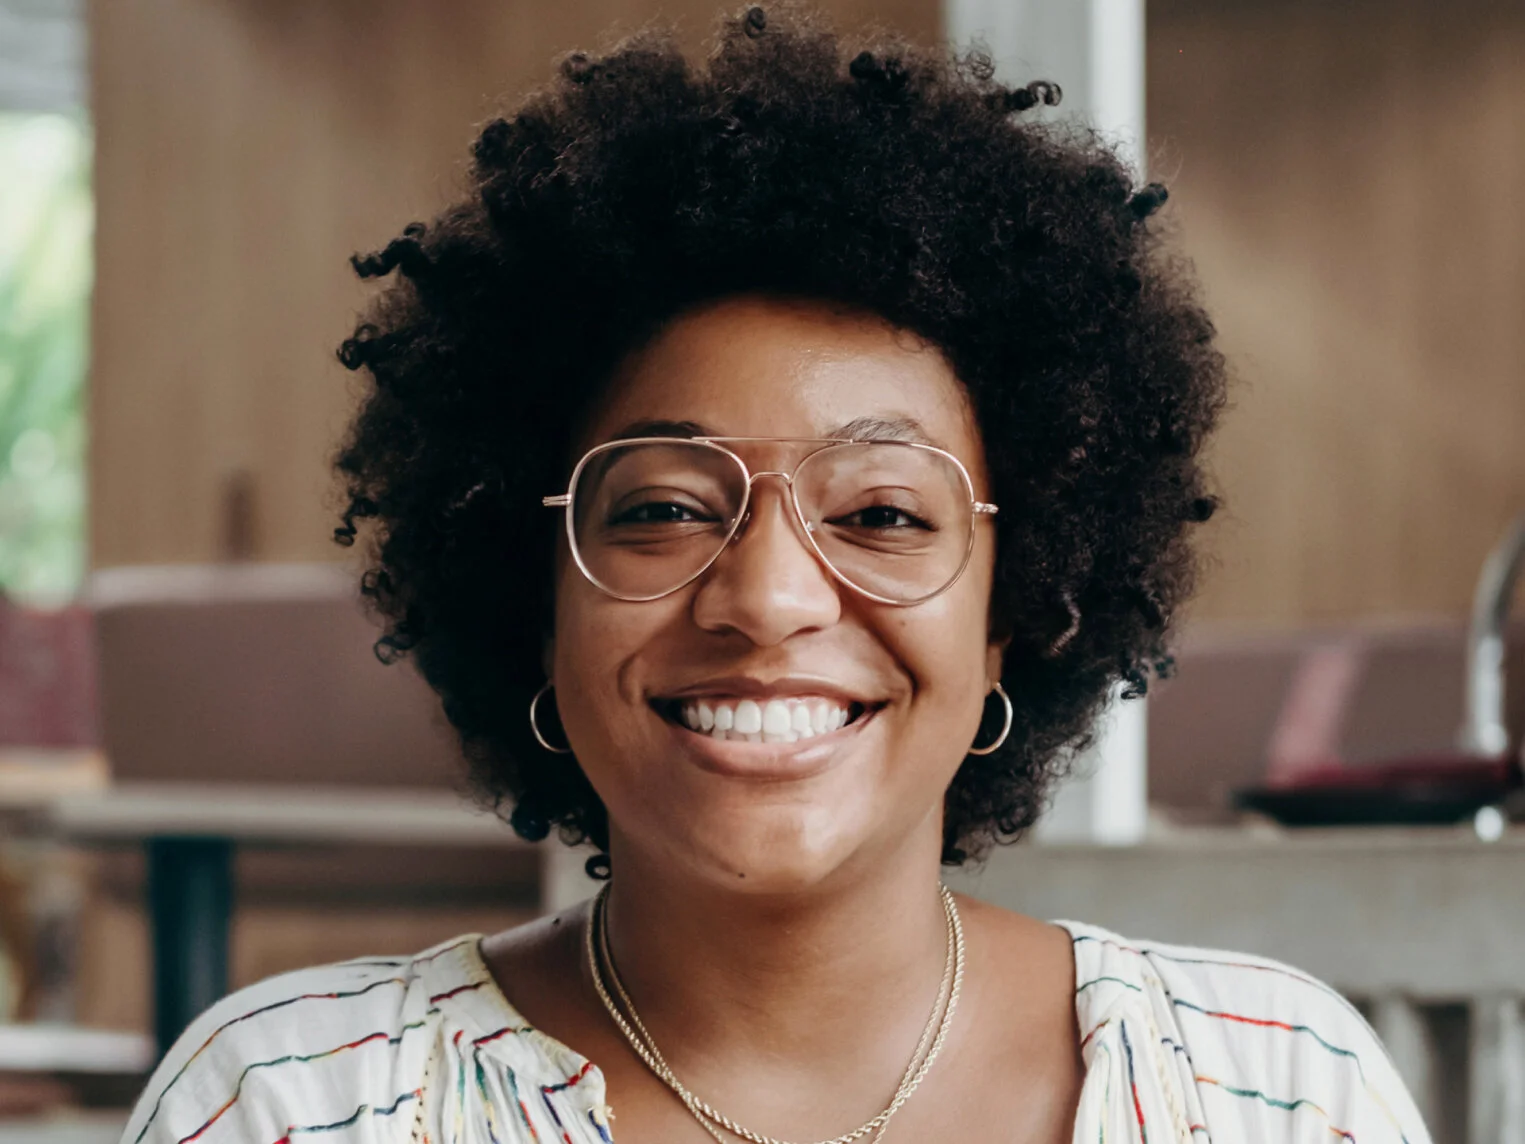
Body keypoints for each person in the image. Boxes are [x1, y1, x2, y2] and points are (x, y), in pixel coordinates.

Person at [122, 4, 1432, 1142]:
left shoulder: (1274, 1091)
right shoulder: (295, 1104)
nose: (767, 598)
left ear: (1011, 618)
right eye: (664, 510)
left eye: (879, 513)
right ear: (538, 600)